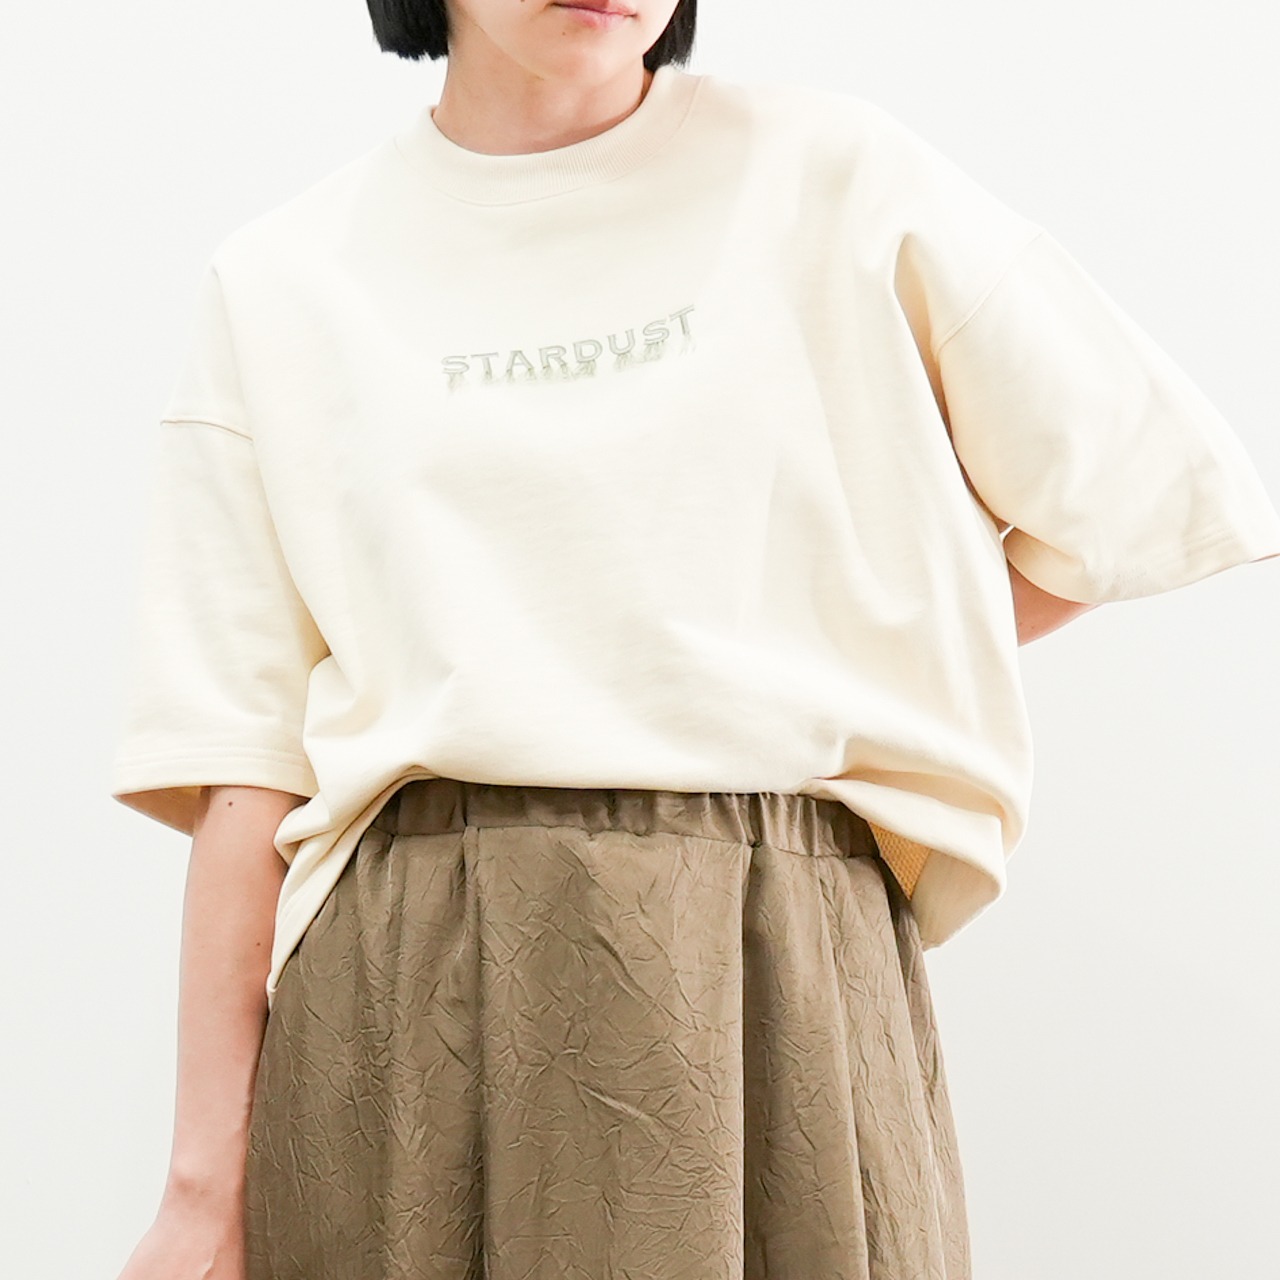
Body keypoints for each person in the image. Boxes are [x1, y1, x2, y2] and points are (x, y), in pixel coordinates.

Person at [109, 2, 1280, 1278]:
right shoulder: (285, 279)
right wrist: (199, 1191)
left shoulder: (834, 182)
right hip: (411, 989)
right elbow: (246, 765)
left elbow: (1126, 492)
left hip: (774, 968)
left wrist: (851, 654)